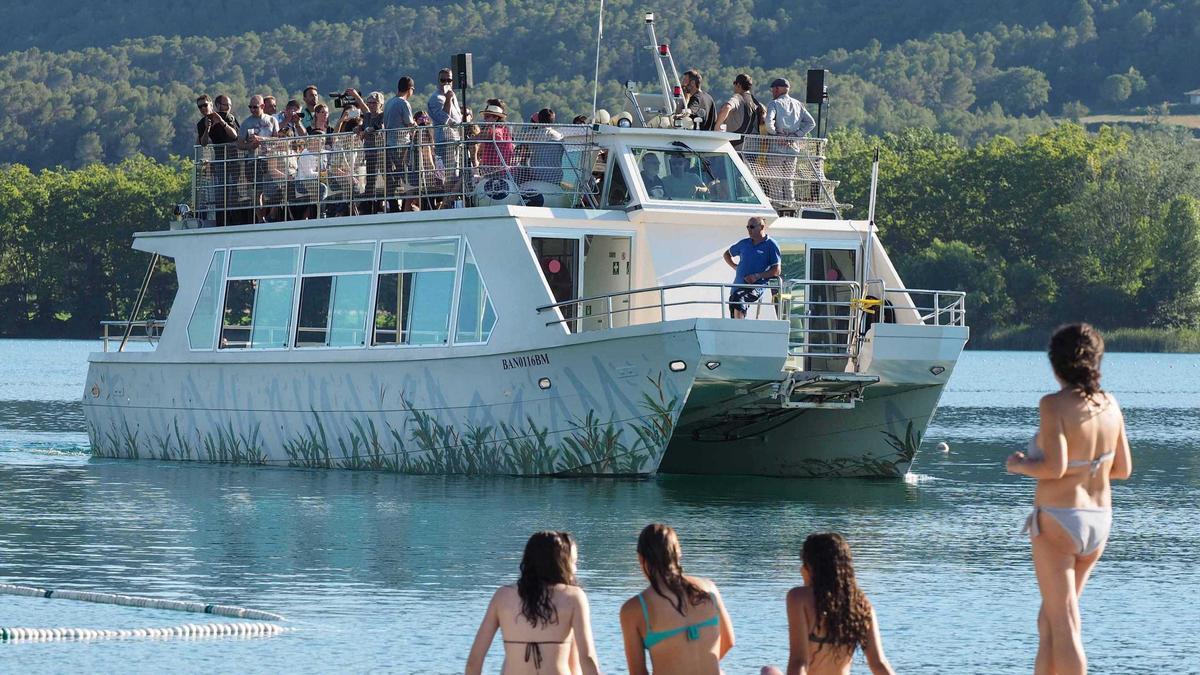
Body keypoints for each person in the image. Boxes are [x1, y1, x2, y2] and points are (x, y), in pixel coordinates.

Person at [1006, 323, 1132, 675]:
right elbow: (1122, 469)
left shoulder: (1053, 405)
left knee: (1063, 623)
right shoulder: (1110, 405)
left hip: (1060, 519)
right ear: (1096, 361)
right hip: (1099, 520)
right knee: (1049, 619)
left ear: (1055, 363)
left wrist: (1019, 465)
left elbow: (1055, 467)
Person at [466, 531, 601, 675]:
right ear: (561, 563)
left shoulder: (502, 596)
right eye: (573, 562)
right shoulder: (574, 597)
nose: (575, 569)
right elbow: (587, 658)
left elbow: (474, 660)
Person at [761, 533, 895, 675]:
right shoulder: (861, 603)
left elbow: (799, 661)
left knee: (768, 671)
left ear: (811, 566)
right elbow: (879, 663)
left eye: (803, 563)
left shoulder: (798, 597)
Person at [620, 523, 734, 675]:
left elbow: (638, 672)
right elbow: (729, 641)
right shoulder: (709, 589)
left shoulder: (635, 609)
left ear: (641, 559)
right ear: (678, 554)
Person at [763, 78, 816, 206]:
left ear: (777, 89)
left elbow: (768, 123)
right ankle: (790, 209)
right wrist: (796, 135)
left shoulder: (774, 104)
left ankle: (777, 211)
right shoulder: (798, 104)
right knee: (789, 181)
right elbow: (811, 123)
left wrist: (777, 134)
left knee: (775, 182)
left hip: (777, 148)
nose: (772, 92)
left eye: (773, 90)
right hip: (793, 148)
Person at [724, 216, 782, 319]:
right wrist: (734, 266)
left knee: (739, 298)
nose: (749, 230)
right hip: (737, 287)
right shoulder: (744, 243)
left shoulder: (771, 245)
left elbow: (776, 270)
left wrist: (757, 276)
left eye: (752, 227)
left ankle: (741, 328)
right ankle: (737, 330)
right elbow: (727, 254)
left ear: (762, 227)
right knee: (735, 301)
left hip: (755, 287)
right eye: (747, 227)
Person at [428, 67, 464, 194]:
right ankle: (447, 202)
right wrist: (448, 99)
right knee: (449, 175)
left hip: (455, 139)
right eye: (443, 80)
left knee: (456, 172)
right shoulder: (435, 98)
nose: (446, 83)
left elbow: (458, 117)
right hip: (444, 140)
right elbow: (444, 118)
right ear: (438, 81)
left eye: (449, 80)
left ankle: (451, 200)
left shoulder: (452, 96)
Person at [384, 76, 417, 210]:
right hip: (402, 146)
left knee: (394, 180)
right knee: (408, 180)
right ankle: (405, 209)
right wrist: (416, 126)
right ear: (410, 89)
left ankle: (394, 209)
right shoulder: (403, 103)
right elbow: (409, 123)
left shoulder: (389, 102)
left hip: (389, 144)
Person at [713, 73, 761, 145]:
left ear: (738, 85)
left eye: (734, 83)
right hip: (753, 146)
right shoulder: (755, 102)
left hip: (737, 146)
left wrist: (717, 127)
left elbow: (727, 107)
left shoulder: (738, 98)